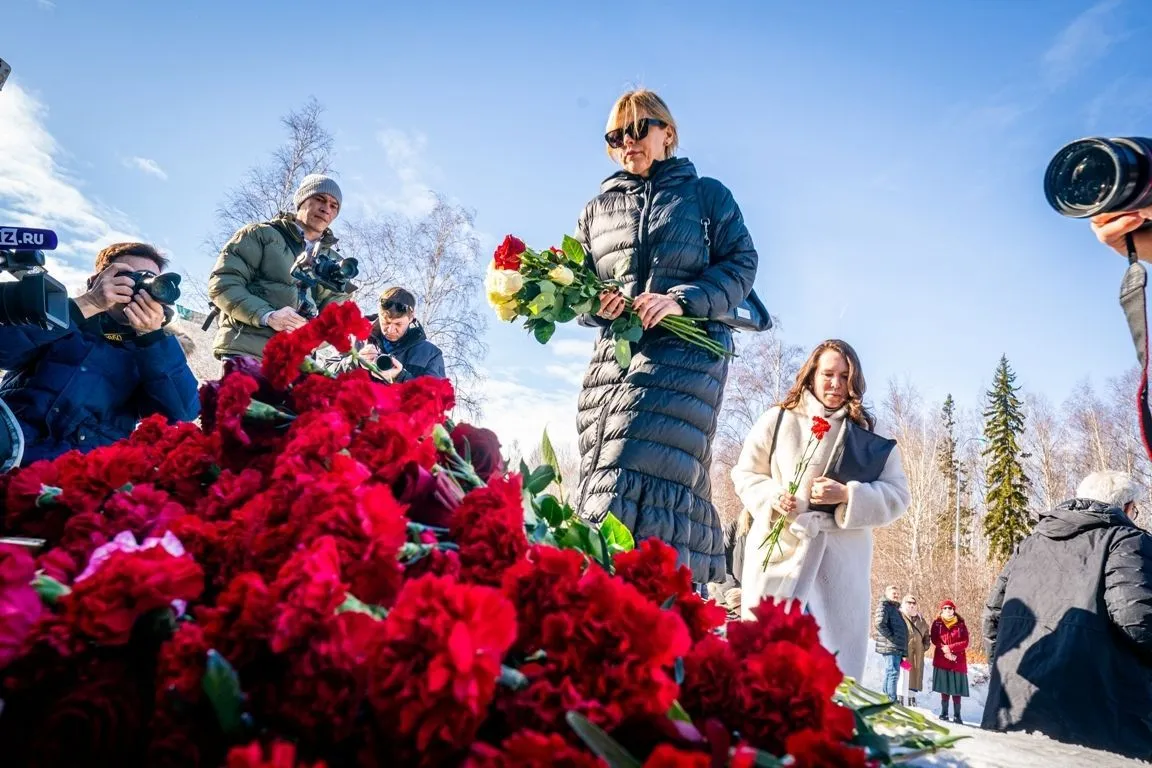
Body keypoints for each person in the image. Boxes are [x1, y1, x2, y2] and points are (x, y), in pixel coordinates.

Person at [573, 88, 758, 585]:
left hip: (687, 351)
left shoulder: (706, 195)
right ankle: (653, 605)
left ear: (667, 134)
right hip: (611, 361)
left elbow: (742, 265)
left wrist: (681, 299)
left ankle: (617, 589)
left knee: (627, 455)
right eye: (615, 135)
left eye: (638, 129)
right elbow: (581, 292)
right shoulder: (597, 210)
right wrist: (598, 304)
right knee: (609, 460)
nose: (627, 142)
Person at [732, 339, 909, 680]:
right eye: (828, 374)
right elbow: (744, 473)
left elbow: (898, 495)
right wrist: (771, 496)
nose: (835, 384)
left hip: (839, 563)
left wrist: (847, 495)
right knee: (766, 661)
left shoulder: (868, 433)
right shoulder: (778, 420)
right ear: (812, 375)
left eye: (845, 376)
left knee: (828, 674)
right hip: (779, 555)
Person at [982, 471, 1151, 760]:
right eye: (1136, 509)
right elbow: (1139, 620)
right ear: (1126, 507)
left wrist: (1009, 676)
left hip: (1016, 713)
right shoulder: (1126, 540)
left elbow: (993, 618)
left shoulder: (1030, 543)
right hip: (1100, 723)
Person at [0, 242, 200, 465]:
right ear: (96, 281)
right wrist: (87, 304)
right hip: (10, 445)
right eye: (128, 276)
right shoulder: (60, 318)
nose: (139, 288)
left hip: (80, 473)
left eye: (150, 280)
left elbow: (183, 413)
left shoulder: (154, 352)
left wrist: (151, 338)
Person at [208, 174, 352, 364]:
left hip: (295, 365)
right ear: (301, 201)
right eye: (319, 199)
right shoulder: (261, 234)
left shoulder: (335, 264)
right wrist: (267, 316)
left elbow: (337, 319)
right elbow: (223, 283)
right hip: (248, 351)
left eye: (334, 205)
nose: (326, 209)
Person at [324, 287, 445, 382]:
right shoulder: (355, 337)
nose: (391, 329)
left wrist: (401, 377)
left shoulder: (430, 355)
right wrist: (355, 362)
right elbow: (325, 371)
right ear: (379, 314)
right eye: (386, 322)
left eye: (398, 324)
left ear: (411, 318)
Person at [931, 600, 969, 724]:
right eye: (945, 608)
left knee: (956, 688)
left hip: (957, 660)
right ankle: (944, 713)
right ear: (942, 610)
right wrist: (945, 650)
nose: (948, 610)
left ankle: (957, 715)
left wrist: (951, 649)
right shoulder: (937, 623)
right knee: (945, 687)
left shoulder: (961, 624)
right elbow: (935, 639)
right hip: (942, 659)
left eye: (950, 608)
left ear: (954, 610)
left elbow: (965, 642)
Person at [874, 585, 908, 702]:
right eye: (893, 593)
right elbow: (879, 623)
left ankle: (886, 697)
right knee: (893, 673)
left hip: (895, 646)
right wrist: (891, 637)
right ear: (887, 594)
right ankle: (892, 700)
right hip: (890, 646)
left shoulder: (894, 608)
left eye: (897, 593)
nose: (896, 595)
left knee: (890, 672)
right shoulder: (884, 606)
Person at [899, 594, 932, 707]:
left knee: (915, 676)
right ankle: (902, 698)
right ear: (904, 603)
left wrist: (923, 647)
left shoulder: (921, 620)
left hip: (917, 654)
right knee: (904, 675)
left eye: (914, 603)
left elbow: (927, 637)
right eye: (909, 602)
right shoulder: (900, 616)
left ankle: (912, 698)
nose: (912, 605)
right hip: (904, 653)